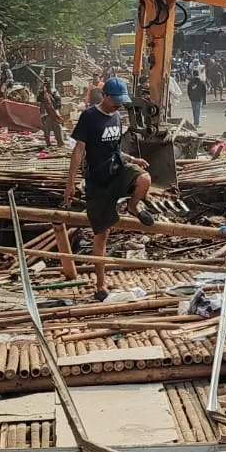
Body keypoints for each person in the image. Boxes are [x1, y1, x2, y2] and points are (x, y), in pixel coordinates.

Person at [64, 77, 155, 296]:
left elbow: (114, 149)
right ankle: (100, 285)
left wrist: (132, 159)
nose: (118, 105)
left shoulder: (116, 117)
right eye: (114, 100)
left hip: (117, 171)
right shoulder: (89, 117)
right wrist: (70, 182)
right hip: (98, 181)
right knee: (101, 236)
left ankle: (134, 207)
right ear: (104, 95)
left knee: (145, 179)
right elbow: (79, 150)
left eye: (120, 102)